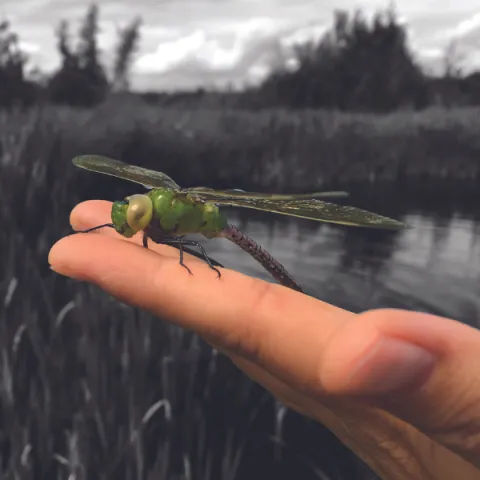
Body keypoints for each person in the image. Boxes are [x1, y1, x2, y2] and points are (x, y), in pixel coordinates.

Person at [49, 200, 480, 480]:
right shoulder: (148, 212)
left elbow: (181, 247)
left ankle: (291, 287)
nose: (130, 217)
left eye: (135, 213)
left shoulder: (180, 216)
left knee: (194, 257)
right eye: (130, 211)